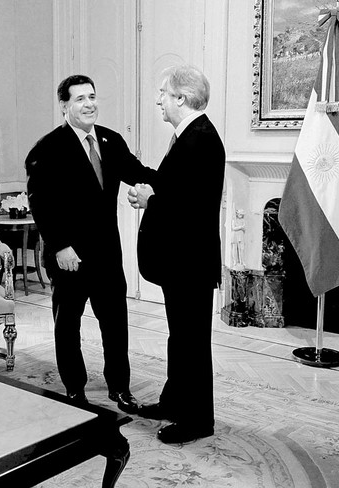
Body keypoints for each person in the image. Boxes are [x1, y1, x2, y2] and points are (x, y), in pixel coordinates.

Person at [25, 74, 157, 414]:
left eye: (92, 96)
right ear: (65, 106)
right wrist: (60, 246)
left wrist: (173, 182)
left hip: (107, 255)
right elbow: (40, 203)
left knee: (116, 323)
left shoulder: (111, 141)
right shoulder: (48, 148)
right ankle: (74, 390)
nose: (89, 104)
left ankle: (120, 389)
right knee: (67, 325)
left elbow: (138, 172)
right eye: (80, 99)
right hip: (69, 255)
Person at [128, 65, 226, 444]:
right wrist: (153, 190)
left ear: (181, 98)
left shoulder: (199, 139)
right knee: (180, 338)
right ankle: (174, 403)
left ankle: (197, 421)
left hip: (190, 264)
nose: (158, 100)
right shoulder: (191, 136)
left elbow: (190, 208)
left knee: (192, 342)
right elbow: (180, 190)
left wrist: (151, 198)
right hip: (183, 262)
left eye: (163, 93)